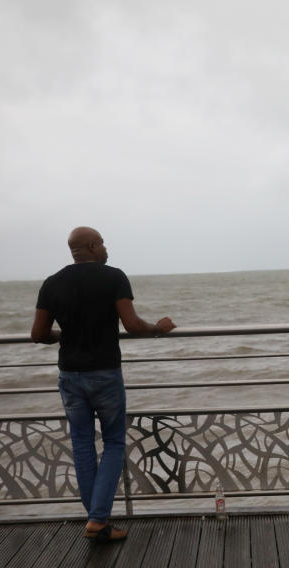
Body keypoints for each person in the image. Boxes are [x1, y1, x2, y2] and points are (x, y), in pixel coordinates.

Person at [31, 227, 176, 543]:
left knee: (82, 443)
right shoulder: (114, 277)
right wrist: (159, 329)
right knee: (113, 443)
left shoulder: (52, 283)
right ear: (93, 246)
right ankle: (97, 520)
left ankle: (96, 519)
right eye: (103, 243)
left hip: (69, 375)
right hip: (105, 374)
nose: (106, 248)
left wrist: (65, 336)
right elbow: (132, 324)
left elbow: (38, 334)